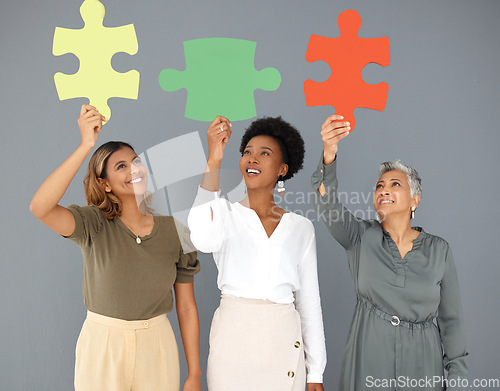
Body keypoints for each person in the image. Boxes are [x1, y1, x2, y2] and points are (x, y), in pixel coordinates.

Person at [30, 105, 202, 391]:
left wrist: (194, 373)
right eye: (121, 166)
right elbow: (40, 207)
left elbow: (186, 306)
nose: (133, 170)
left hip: (157, 346)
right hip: (102, 345)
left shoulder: (176, 230)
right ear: (104, 183)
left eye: (136, 162)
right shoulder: (92, 224)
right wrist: (86, 145)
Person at [311, 115, 468, 391]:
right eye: (379, 186)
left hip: (423, 366)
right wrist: (329, 152)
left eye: (396, 184)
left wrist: (457, 382)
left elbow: (452, 322)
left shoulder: (439, 250)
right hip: (369, 362)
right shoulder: (359, 236)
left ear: (415, 200)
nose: (384, 190)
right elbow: (327, 204)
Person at [187, 116, 326, 391]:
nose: (253, 159)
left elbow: (309, 304)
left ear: (282, 169)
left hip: (283, 343)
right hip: (233, 344)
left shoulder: (301, 228)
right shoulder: (224, 213)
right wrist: (214, 158)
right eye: (247, 152)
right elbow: (201, 238)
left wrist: (315, 374)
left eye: (265, 154)